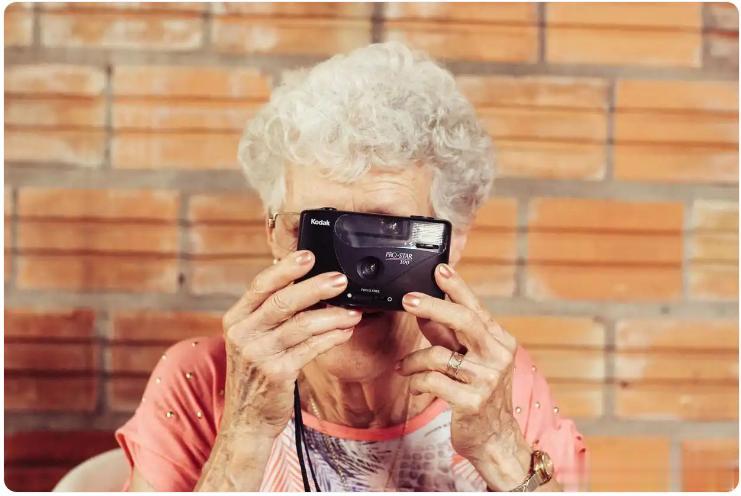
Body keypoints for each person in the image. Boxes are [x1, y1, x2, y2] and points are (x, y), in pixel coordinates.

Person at [115, 41, 587, 492]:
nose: (349, 278)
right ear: (274, 234)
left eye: (387, 234)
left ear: (453, 239)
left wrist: (500, 447)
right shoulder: (201, 380)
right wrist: (246, 431)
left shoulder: (495, 384)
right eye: (318, 232)